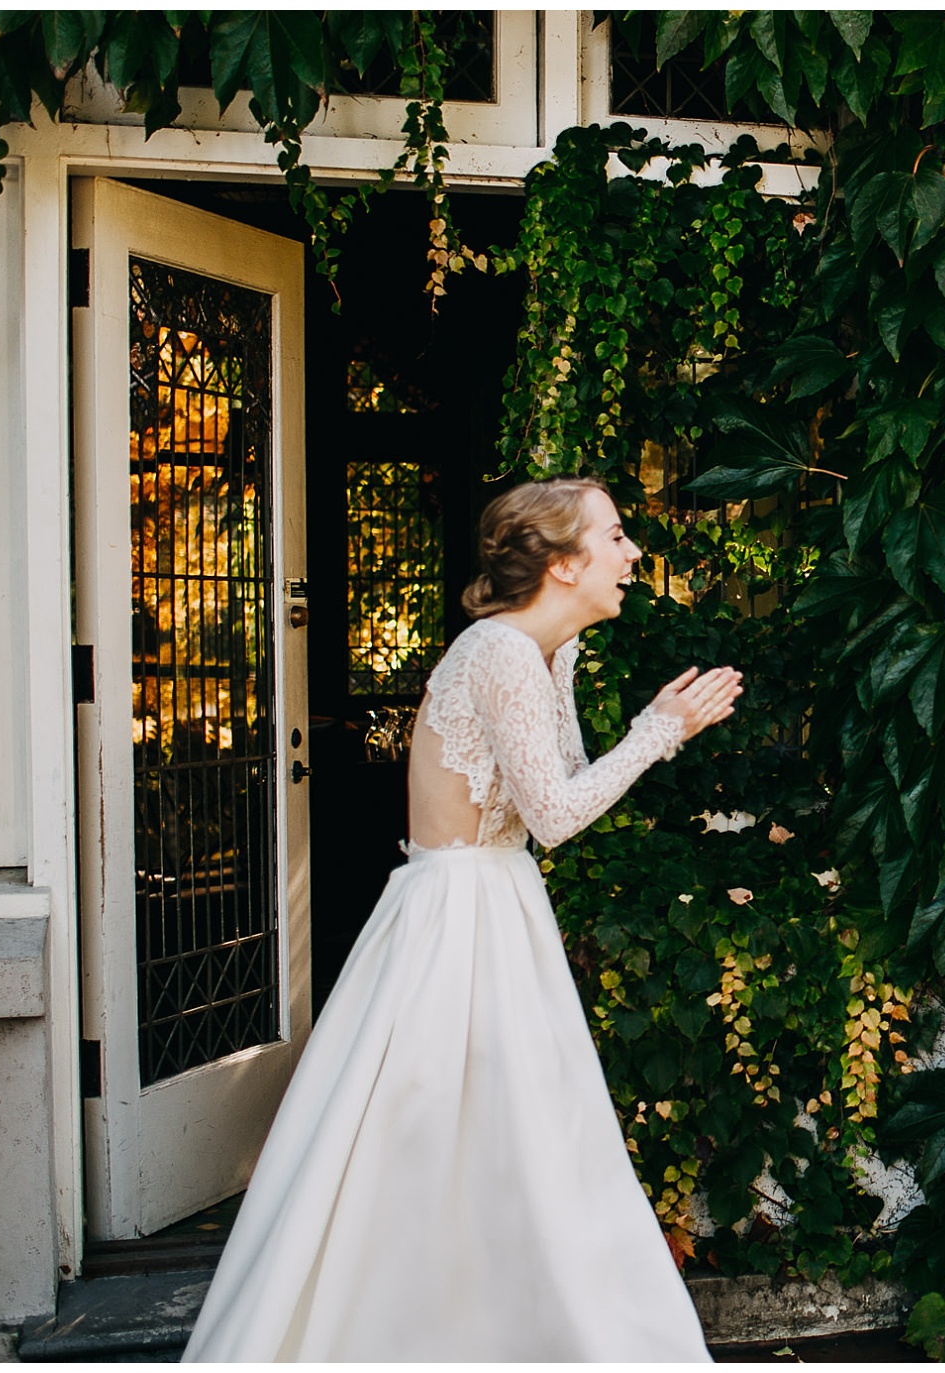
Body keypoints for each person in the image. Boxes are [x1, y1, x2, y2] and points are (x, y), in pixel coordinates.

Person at [184, 476, 740, 1361]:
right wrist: (656, 731)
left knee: (528, 1135)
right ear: (562, 563)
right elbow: (557, 814)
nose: (633, 554)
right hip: (457, 919)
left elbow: (550, 797)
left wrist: (640, 722)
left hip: (500, 902)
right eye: (616, 535)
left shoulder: (545, 652)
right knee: (434, 1131)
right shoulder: (499, 653)